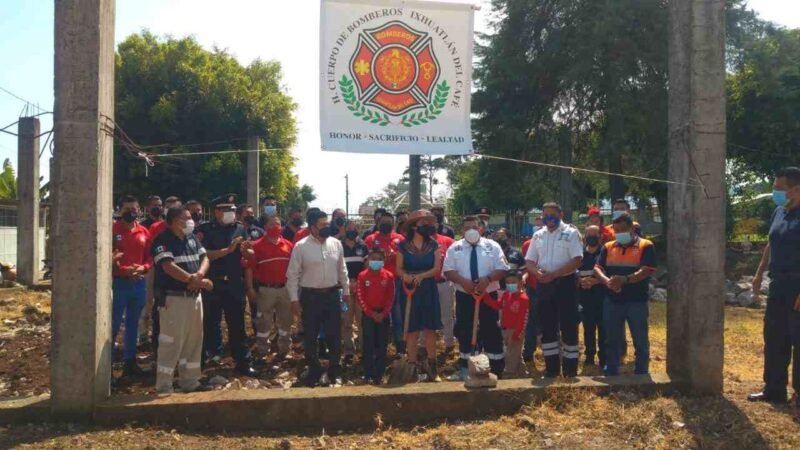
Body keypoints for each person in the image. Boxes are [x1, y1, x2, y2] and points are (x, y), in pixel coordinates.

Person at [748, 167, 800, 422]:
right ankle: (774, 389)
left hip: (798, 287)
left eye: (780, 188)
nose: (775, 192)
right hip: (778, 285)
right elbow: (771, 242)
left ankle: (798, 398)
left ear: (796, 189)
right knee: (775, 337)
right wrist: (759, 274)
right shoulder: (779, 211)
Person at [150, 206, 213, 394]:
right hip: (174, 300)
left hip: (194, 299)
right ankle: (164, 386)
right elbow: (168, 267)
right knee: (171, 343)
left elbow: (205, 258)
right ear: (176, 220)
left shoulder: (191, 238)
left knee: (193, 341)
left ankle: (190, 382)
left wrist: (199, 276)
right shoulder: (162, 240)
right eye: (187, 217)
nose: (191, 220)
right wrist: (191, 280)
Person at [287, 209, 350, 386]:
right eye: (323, 225)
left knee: (334, 335)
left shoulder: (336, 244)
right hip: (310, 297)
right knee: (310, 336)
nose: (327, 227)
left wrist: (346, 292)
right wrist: (294, 299)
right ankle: (314, 370)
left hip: (332, 295)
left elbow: (342, 269)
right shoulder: (301, 246)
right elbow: (292, 275)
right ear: (312, 227)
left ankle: (333, 371)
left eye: (327, 224)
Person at [195, 194, 256, 376]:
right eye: (226, 209)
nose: (231, 212)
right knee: (210, 323)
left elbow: (249, 254)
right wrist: (226, 251)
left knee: (237, 325)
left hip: (234, 283)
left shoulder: (239, 228)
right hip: (213, 283)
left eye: (232, 209)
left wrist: (247, 252)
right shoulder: (205, 230)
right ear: (216, 212)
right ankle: (209, 358)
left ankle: (243, 362)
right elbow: (203, 255)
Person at [444, 215, 509, 379]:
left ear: (481, 229)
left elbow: (502, 268)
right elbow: (448, 270)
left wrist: (487, 279)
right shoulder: (454, 248)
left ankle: (495, 368)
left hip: (488, 294)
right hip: (465, 295)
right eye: (467, 228)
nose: (470, 231)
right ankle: (467, 368)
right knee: (465, 330)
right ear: (461, 230)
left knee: (491, 330)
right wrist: (463, 282)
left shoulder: (493, 246)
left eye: (474, 227)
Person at [594, 212, 656, 376]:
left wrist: (625, 280)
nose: (618, 234)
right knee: (612, 338)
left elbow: (646, 271)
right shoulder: (608, 247)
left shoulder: (645, 245)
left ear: (631, 228)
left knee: (640, 338)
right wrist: (608, 281)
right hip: (613, 300)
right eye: (616, 231)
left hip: (636, 301)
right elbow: (597, 268)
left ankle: (641, 371)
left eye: (622, 230)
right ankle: (612, 368)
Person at [525, 202, 583, 378]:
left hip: (565, 283)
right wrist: (537, 273)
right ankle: (551, 369)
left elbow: (577, 260)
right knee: (547, 327)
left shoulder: (571, 233)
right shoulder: (538, 235)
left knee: (569, 326)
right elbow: (529, 261)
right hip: (544, 285)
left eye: (552, 215)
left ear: (561, 214)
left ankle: (570, 369)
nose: (548, 219)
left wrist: (555, 274)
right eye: (545, 215)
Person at [396, 210, 443, 382]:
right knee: (412, 330)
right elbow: (398, 268)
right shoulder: (403, 245)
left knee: (430, 329)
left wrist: (422, 276)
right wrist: (405, 276)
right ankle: (411, 367)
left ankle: (432, 369)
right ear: (414, 226)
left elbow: (436, 268)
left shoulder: (434, 245)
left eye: (429, 223)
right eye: (424, 224)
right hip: (409, 289)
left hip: (428, 287)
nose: (428, 226)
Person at [111, 195, 152, 376]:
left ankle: (130, 362)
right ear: (119, 210)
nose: (131, 213)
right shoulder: (112, 229)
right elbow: (107, 256)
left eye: (134, 209)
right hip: (118, 283)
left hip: (138, 283)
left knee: (133, 324)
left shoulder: (143, 231)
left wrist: (143, 268)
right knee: (112, 325)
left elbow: (150, 257)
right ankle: (108, 365)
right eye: (127, 209)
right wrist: (123, 270)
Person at [244, 215, 293, 357]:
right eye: (272, 224)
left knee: (285, 321)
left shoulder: (289, 245)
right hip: (265, 290)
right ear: (265, 227)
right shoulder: (256, 246)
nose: (275, 227)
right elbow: (249, 269)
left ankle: (284, 349)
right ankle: (262, 350)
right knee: (263, 322)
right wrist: (250, 289)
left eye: (278, 224)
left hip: (285, 289)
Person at [365, 212, 406, 350]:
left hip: (396, 282)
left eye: (389, 223)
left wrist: (395, 256)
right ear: (377, 223)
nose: (386, 225)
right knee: (379, 313)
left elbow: (406, 259)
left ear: (393, 224)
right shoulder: (371, 239)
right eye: (383, 223)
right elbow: (366, 262)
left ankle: (400, 345)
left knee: (397, 315)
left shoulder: (400, 239)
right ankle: (379, 345)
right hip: (377, 282)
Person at [357, 247, 395, 385]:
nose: (376, 261)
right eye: (373, 259)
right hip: (368, 315)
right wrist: (370, 313)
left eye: (380, 259)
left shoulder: (389, 276)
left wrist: (383, 313)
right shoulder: (362, 276)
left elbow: (391, 297)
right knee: (368, 344)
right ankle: (368, 373)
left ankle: (379, 374)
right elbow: (360, 297)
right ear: (368, 260)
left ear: (384, 261)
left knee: (382, 345)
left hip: (383, 316)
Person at [484, 271, 529, 377]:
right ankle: (522, 373)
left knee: (511, 354)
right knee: (515, 353)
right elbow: (498, 305)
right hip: (505, 329)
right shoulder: (506, 294)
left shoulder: (523, 299)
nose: (510, 285)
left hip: (516, 331)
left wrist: (517, 333)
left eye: (513, 282)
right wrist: (486, 298)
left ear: (521, 283)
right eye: (508, 282)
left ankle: (509, 373)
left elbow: (523, 319)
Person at [579, 225, 606, 368]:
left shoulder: (605, 253)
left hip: (602, 297)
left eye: (594, 233)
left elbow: (610, 273)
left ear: (600, 236)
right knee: (588, 328)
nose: (591, 236)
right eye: (588, 233)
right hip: (585, 298)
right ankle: (589, 356)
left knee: (603, 328)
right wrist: (580, 281)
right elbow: (574, 272)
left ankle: (604, 357)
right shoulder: (580, 254)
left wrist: (595, 281)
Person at [341, 220, 368, 363]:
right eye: (349, 228)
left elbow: (366, 267)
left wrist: (358, 283)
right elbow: (337, 268)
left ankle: (364, 349)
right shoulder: (338, 246)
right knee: (346, 321)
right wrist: (346, 284)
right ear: (345, 230)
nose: (352, 230)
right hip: (344, 290)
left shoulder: (363, 246)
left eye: (354, 228)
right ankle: (349, 350)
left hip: (360, 289)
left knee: (361, 321)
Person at [432, 220, 456, 354]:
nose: (431, 225)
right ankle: (423, 344)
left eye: (433, 222)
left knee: (447, 314)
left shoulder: (447, 241)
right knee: (426, 313)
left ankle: (449, 342)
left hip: (444, 282)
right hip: (427, 283)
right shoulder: (420, 241)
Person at [520, 237, 540, 366]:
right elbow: (526, 266)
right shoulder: (528, 244)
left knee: (553, 321)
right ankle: (528, 352)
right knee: (531, 321)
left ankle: (554, 354)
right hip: (533, 287)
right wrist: (524, 277)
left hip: (554, 286)